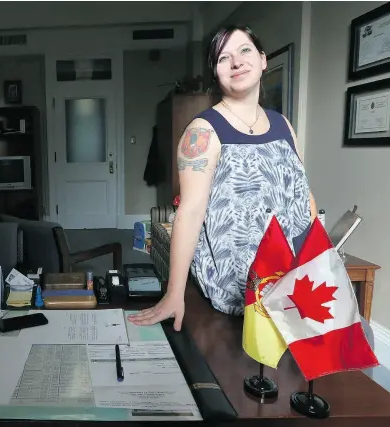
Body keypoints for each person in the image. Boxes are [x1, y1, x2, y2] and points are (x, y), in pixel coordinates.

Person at [128, 24, 317, 331]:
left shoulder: (283, 125)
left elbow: (302, 194)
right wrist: (174, 293)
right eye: (223, 58)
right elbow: (189, 212)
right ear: (216, 73)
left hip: (293, 283)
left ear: (263, 59)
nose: (237, 62)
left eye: (245, 50)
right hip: (237, 292)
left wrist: (318, 257)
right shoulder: (202, 132)